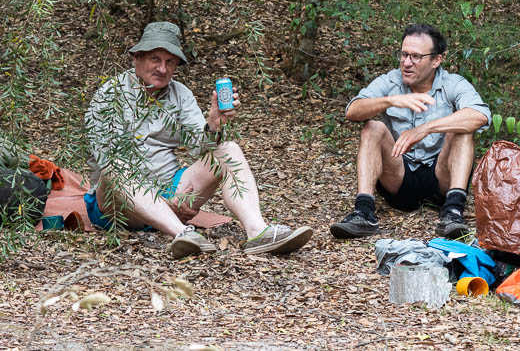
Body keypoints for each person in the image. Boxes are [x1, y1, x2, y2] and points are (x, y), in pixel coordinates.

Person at [85, 22, 313, 258]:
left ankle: (257, 231)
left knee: (229, 149)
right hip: (117, 206)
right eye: (155, 59)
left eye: (170, 62)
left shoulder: (180, 94)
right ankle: (182, 233)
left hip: (173, 192)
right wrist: (163, 204)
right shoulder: (109, 95)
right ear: (137, 58)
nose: (162, 68)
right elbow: (107, 160)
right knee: (115, 165)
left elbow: (199, 147)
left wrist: (213, 124)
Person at [330, 23, 490, 240]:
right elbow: (353, 111)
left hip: (440, 178)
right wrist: (390, 100)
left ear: (436, 60)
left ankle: (453, 211)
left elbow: (480, 116)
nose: (406, 63)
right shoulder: (390, 81)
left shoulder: (453, 83)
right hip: (399, 177)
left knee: (461, 129)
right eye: (404, 54)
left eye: (416, 57)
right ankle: (364, 212)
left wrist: (425, 129)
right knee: (372, 127)